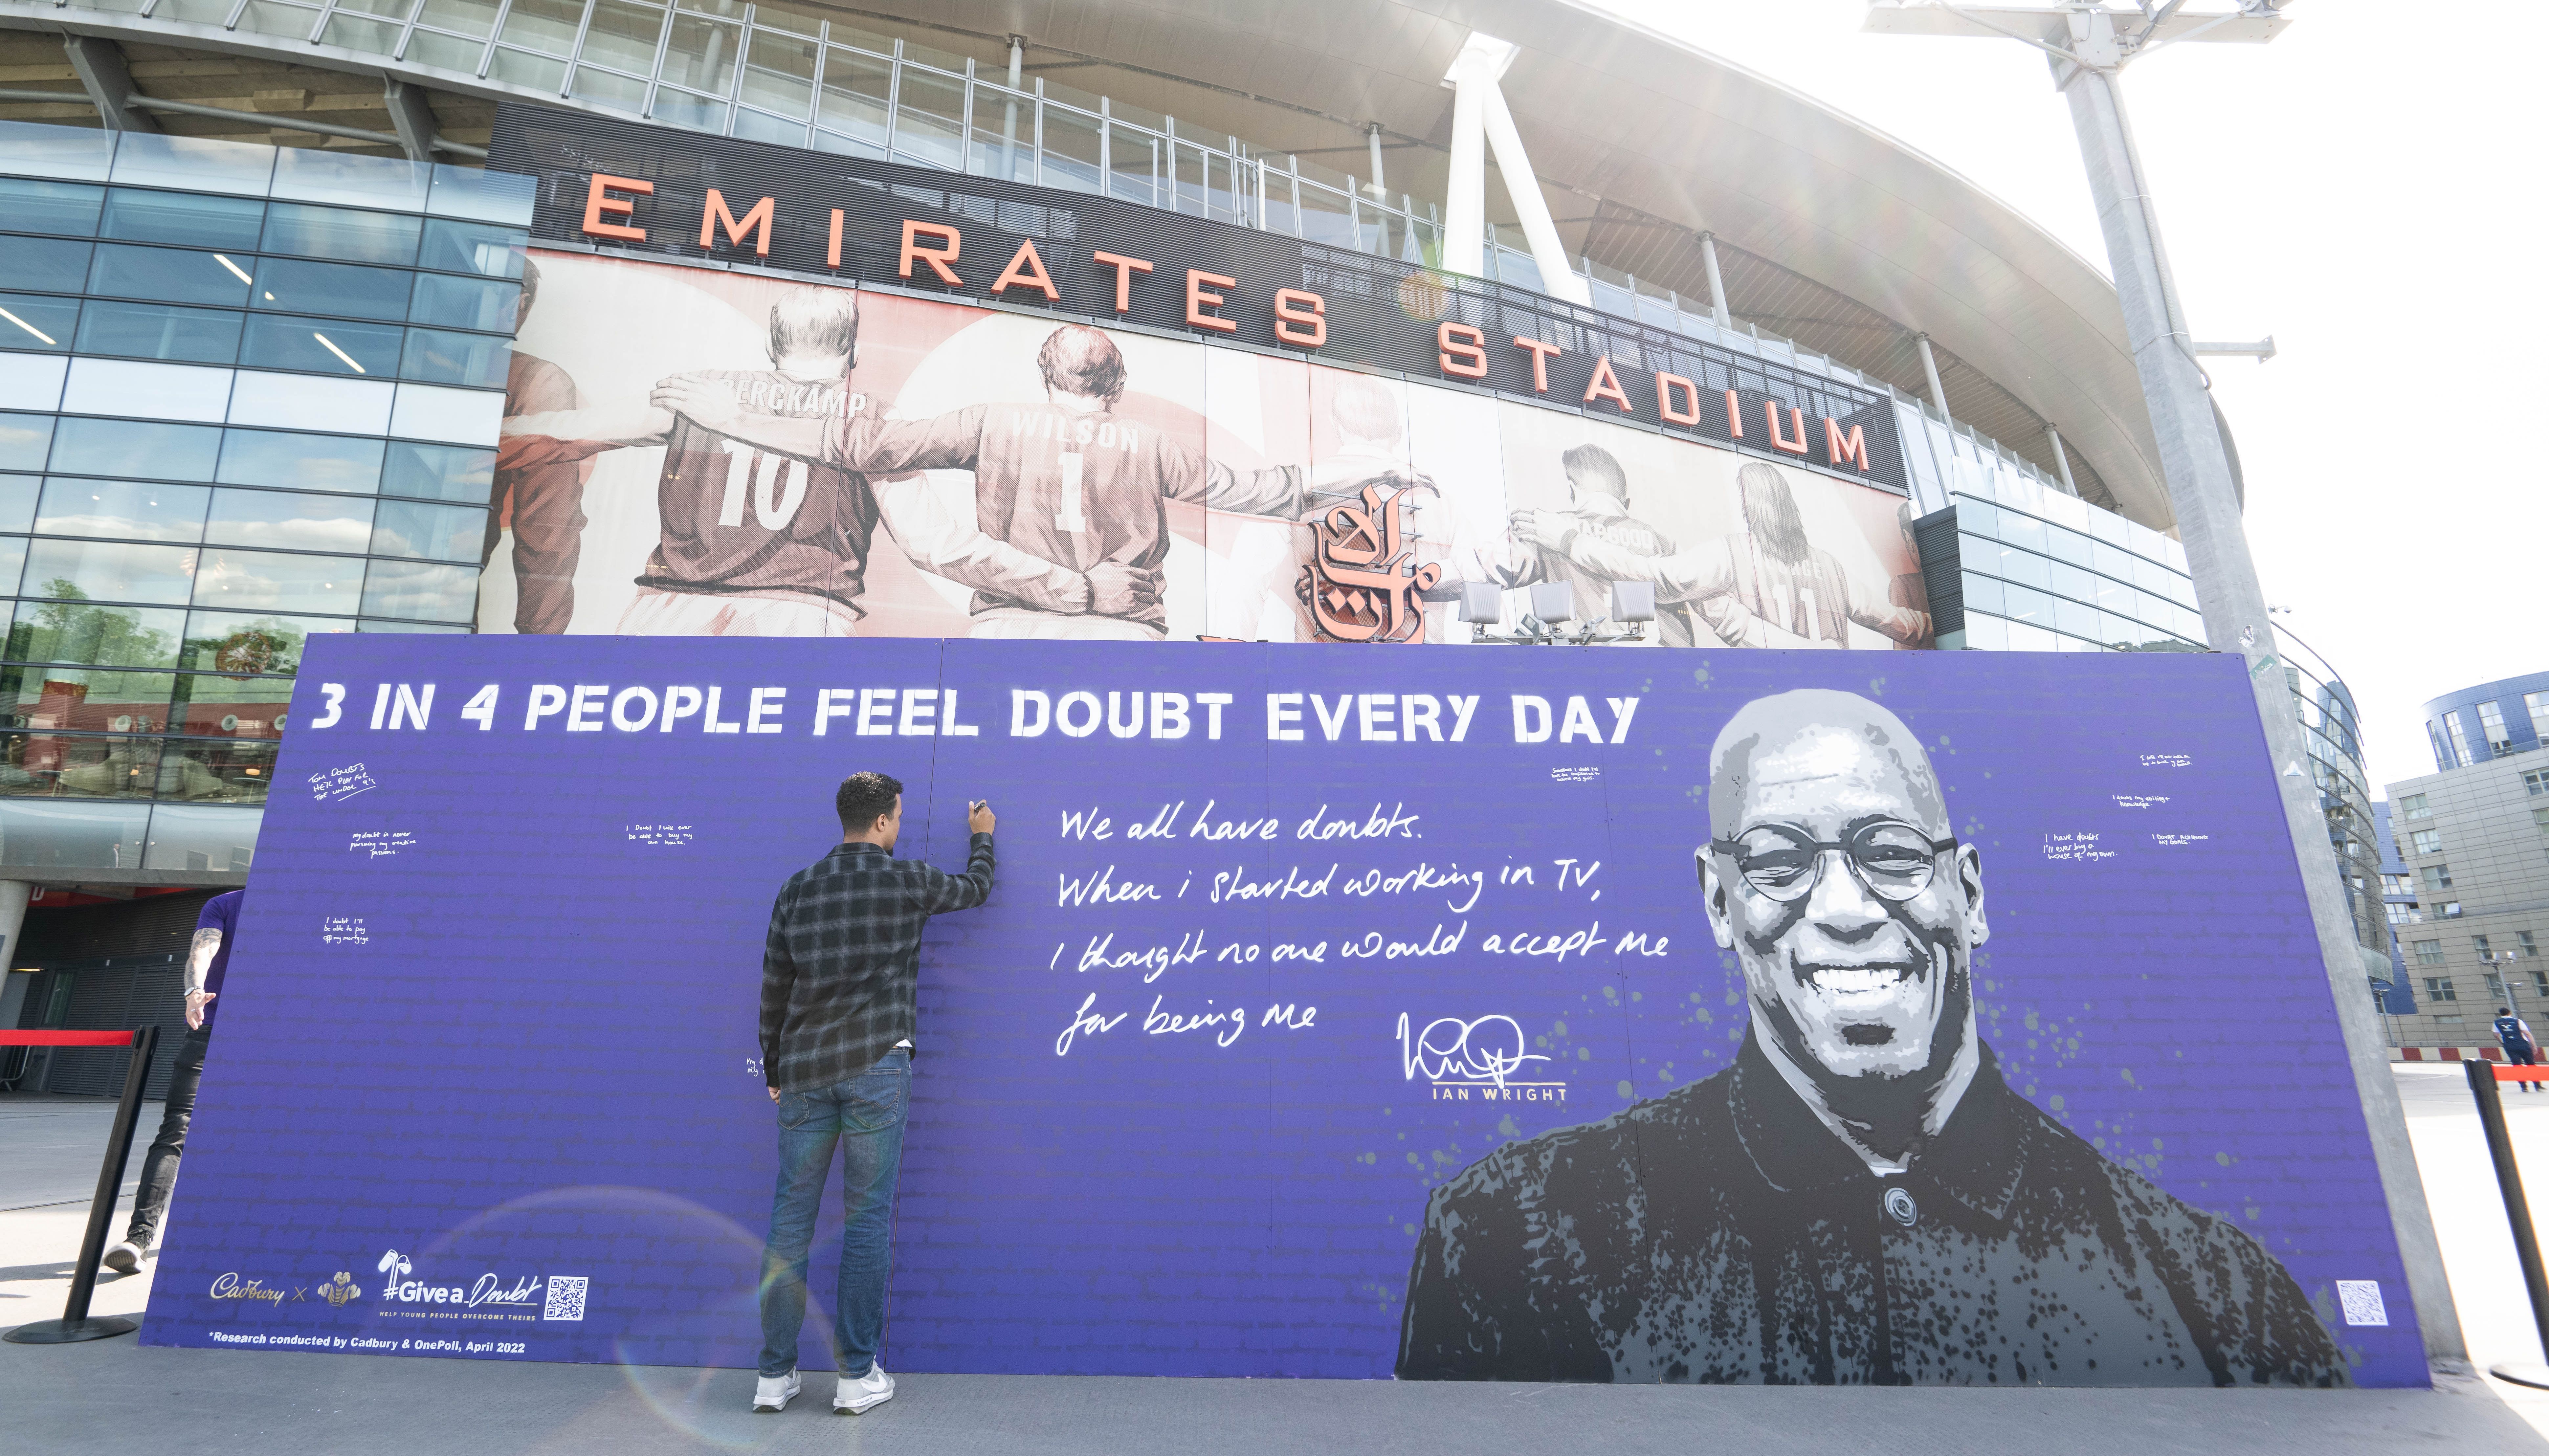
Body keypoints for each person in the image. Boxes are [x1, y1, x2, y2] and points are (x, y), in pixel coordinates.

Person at [1395, 689, 2346, 1386]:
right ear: (1718, 901)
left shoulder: (2220, 1293)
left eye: (1890, 852)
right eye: (1779, 861)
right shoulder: (1514, 1239)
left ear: (1967, 892)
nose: (1844, 909)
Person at [651, 324, 1394, 640]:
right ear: (1118, 380)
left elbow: (865, 446)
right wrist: (1369, 468)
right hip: (1122, 633)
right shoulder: (1150, 444)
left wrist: (738, 413)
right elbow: (1268, 489)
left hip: (1005, 628)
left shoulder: (988, 421)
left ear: (1046, 374)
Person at [500, 287, 1156, 636]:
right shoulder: (875, 423)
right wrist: (1075, 589)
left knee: (625, 787)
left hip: (668, 613)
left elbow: (552, 437)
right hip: (799, 620)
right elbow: (941, 547)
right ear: (853, 353)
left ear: (770, 344)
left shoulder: (697, 398)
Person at [753, 773, 996, 1416]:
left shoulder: (797, 889)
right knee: (864, 1222)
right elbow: (975, 891)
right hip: (875, 1071)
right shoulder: (905, 880)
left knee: (789, 1221)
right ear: (886, 822)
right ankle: (855, 1377)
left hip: (804, 1073)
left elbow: (774, 987)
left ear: (845, 820)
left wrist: (774, 1066)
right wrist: (982, 839)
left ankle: (773, 1377)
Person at [1509, 461, 1929, 649]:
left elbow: (1654, 576)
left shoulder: (1730, 553)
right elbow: (1901, 625)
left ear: (1748, 503)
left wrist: (1569, 540)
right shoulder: (1832, 569)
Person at [102, 889, 240, 1274]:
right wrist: (194, 990)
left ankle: (140, 1240)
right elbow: (203, 951)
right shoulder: (227, 904)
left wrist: (194, 992)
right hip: (217, 1031)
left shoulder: (233, 903)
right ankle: (138, 1239)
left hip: (249, 1034)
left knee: (178, 1130)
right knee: (178, 1128)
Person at [1491, 443, 1702, 645]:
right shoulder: (1663, 541)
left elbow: (1476, 575)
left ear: (1572, 491)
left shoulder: (1543, 528)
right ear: (1626, 504)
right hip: (1668, 667)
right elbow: (1707, 601)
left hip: (1586, 667)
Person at [481, 258, 593, 634]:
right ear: (520, 305)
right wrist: (539, 657)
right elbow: (547, 537)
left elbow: (547, 532)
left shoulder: (531, 381)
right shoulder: (532, 380)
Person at [2497, 1006, 2539, 1092]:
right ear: (2510, 1013)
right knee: (2531, 1065)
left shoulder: (2497, 1023)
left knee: (2517, 1066)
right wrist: (2534, 1046)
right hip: (2523, 1046)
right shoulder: (2518, 1021)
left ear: (2501, 1014)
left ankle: (2524, 1087)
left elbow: (2495, 1034)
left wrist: (2502, 1043)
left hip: (2510, 1047)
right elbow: (2527, 1034)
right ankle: (2537, 1085)